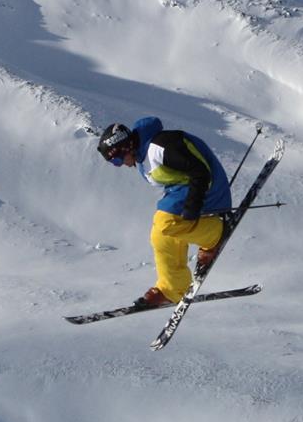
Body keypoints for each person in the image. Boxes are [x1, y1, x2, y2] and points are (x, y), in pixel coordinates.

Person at [96, 116, 234, 309]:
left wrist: (192, 206)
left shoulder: (161, 146)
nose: (120, 165)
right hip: (186, 191)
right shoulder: (143, 157)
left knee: (165, 223)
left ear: (125, 147)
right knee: (160, 235)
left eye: (117, 159)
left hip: (208, 189)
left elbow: (201, 171)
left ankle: (214, 234)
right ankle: (173, 289)